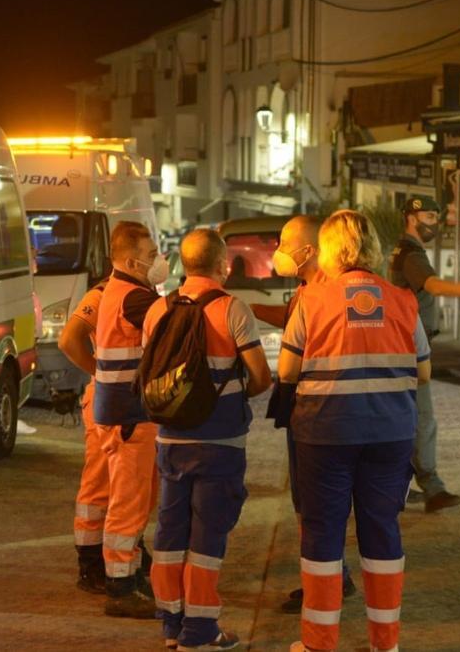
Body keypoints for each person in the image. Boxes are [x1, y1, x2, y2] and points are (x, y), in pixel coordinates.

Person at [281, 210, 429, 652]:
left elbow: (287, 370)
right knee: (382, 530)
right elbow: (424, 372)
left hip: (325, 432)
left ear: (328, 250)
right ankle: (385, 645)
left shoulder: (312, 300)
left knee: (323, 532)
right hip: (390, 433)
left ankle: (318, 643)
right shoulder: (402, 299)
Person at [144, 228, 272, 652]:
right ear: (223, 265)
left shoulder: (158, 309)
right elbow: (260, 376)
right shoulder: (232, 308)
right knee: (208, 536)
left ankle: (171, 624)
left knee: (169, 530)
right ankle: (200, 632)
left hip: (170, 439)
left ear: (184, 264)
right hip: (220, 442)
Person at [252, 216, 359, 615]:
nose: (278, 251)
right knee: (311, 502)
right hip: (313, 410)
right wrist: (246, 308)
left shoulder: (324, 293)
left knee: (316, 503)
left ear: (310, 250)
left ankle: (326, 586)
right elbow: (289, 318)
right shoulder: (308, 290)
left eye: (284, 243)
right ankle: (330, 577)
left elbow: (288, 368)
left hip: (317, 410)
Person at [389, 196, 460, 513]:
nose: (434, 223)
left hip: (404, 343)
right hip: (411, 347)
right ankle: (433, 488)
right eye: (428, 216)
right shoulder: (411, 255)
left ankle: (395, 487)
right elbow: (434, 286)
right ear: (411, 218)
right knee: (422, 420)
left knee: (404, 418)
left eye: (436, 217)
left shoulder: (405, 251)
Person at [93, 220, 167, 618]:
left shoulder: (125, 291)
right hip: (129, 416)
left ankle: (131, 571)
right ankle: (120, 587)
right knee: (128, 503)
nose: (158, 262)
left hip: (126, 413)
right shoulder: (133, 298)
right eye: (152, 256)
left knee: (136, 501)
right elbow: (172, 322)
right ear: (130, 259)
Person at [58, 276, 112, 594]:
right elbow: (68, 341)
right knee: (99, 486)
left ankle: (120, 552)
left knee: (126, 487)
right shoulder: (102, 294)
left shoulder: (142, 295)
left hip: (124, 402)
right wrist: (99, 371)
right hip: (106, 398)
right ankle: (90, 562)